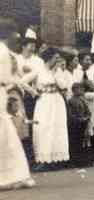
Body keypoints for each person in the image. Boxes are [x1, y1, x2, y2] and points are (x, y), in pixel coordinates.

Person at [0, 17, 35, 190]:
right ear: (8, 34)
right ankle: (12, 175)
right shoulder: (4, 52)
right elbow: (6, 79)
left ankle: (11, 175)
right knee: (6, 134)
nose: (17, 36)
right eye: (15, 32)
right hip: (1, 92)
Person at [21, 48, 70, 171]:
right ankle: (43, 160)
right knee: (43, 128)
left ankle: (56, 159)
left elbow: (64, 86)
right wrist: (33, 92)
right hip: (44, 101)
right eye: (56, 58)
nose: (58, 60)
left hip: (57, 102)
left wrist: (56, 72)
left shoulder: (57, 71)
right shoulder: (38, 70)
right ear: (49, 58)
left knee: (57, 128)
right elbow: (22, 82)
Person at [68, 83, 91, 167]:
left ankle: (80, 160)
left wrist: (86, 118)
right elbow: (70, 114)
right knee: (75, 142)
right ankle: (74, 161)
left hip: (83, 124)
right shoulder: (70, 101)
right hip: (74, 125)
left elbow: (88, 111)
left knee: (81, 142)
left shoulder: (82, 100)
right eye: (80, 89)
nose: (82, 91)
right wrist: (79, 119)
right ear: (74, 90)